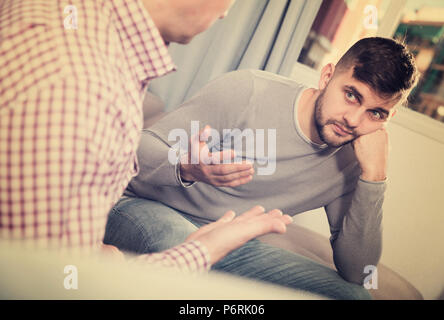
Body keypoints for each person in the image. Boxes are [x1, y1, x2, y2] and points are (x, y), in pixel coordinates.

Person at [103, 37, 419, 299]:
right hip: (143, 208)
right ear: (326, 77)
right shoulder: (249, 91)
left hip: (231, 242)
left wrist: (374, 178)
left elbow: (357, 271)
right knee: (186, 252)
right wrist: (187, 166)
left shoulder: (353, 160)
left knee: (354, 297)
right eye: (351, 95)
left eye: (375, 113)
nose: (353, 120)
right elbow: (138, 148)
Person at [0, 0, 294, 273]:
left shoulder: (72, 23)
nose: (224, 13)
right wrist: (204, 250)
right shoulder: (83, 87)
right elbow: (50, 281)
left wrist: (89, 249)